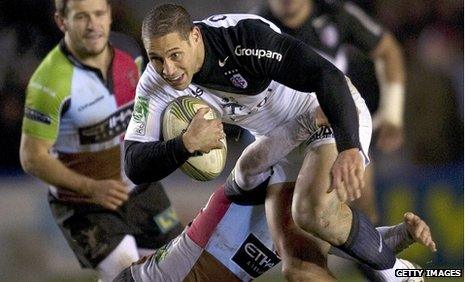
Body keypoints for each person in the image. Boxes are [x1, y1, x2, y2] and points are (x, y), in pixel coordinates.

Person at [124, 4, 417, 280]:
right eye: (156, 58)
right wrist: (184, 144)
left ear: (195, 37)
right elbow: (133, 164)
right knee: (300, 271)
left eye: (175, 55)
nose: (168, 70)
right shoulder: (155, 83)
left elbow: (325, 75)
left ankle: (398, 272)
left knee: (311, 211)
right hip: (280, 146)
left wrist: (350, 145)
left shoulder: (242, 38)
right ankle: (382, 239)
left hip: (324, 115)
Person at [19, 0, 182, 280]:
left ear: (109, 15)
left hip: (140, 187)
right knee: (130, 274)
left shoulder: (130, 52)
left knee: (178, 268)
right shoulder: (48, 83)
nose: (93, 25)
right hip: (85, 203)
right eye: (82, 17)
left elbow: (148, 103)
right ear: (62, 21)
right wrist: (92, 188)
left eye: (99, 14)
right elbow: (32, 157)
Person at [256, 0, 407, 223]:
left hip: (334, 119)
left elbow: (387, 50)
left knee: (360, 198)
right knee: (292, 228)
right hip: (281, 133)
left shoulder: (336, 14)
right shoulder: (254, 27)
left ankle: (371, 254)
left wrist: (391, 114)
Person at [114, 183, 436, 281]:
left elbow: (347, 243)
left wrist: (400, 236)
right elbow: (301, 271)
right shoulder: (277, 188)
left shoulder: (304, 214)